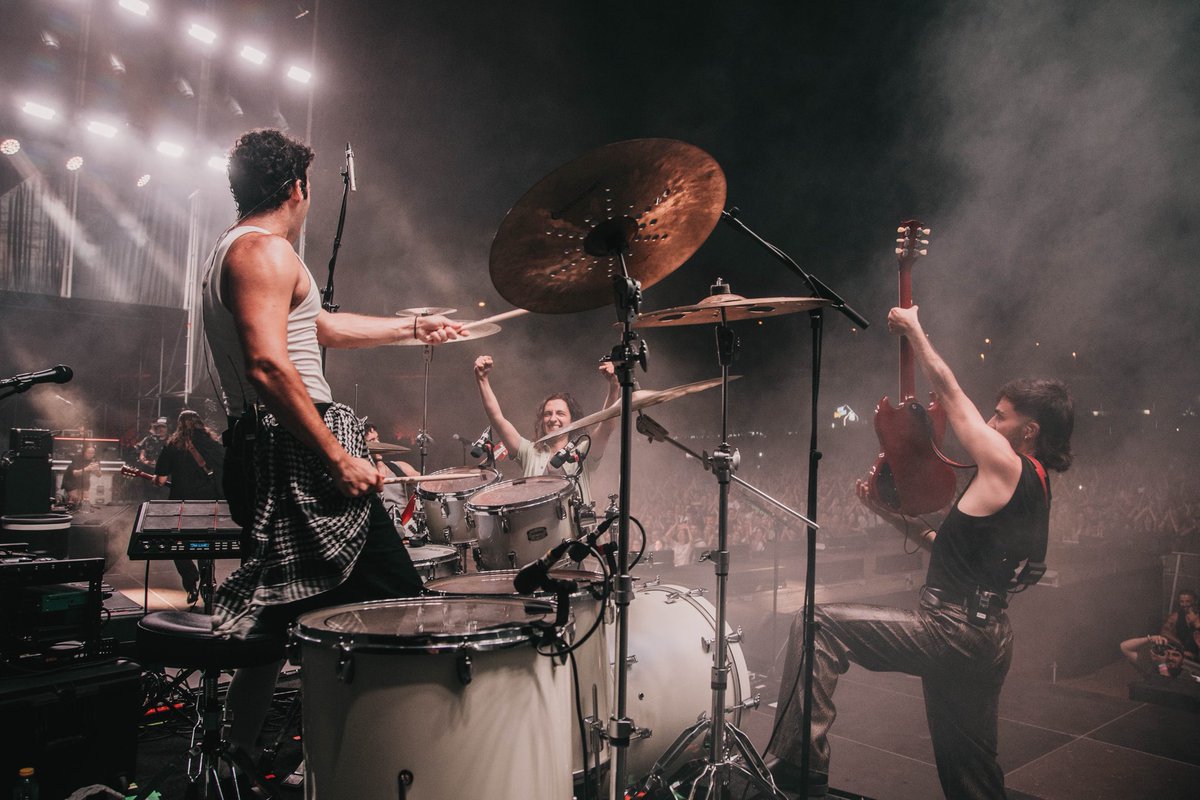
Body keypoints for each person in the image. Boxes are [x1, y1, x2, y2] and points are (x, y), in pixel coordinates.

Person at [200, 128, 465, 763]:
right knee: (397, 606)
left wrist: (412, 328)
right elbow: (268, 367)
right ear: (298, 187)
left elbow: (318, 326)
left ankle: (235, 753)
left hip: (265, 446)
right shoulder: (264, 252)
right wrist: (337, 456)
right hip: (298, 446)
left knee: (279, 604)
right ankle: (407, 760)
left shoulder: (237, 251)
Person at [767, 304, 1075, 799]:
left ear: (1029, 430)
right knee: (970, 769)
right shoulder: (1036, 486)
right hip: (987, 638)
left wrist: (914, 330)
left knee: (816, 624)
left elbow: (953, 396)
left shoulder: (1009, 463)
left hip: (950, 629)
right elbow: (950, 550)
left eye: (1001, 416)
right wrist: (888, 515)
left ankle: (801, 771)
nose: (991, 423)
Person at [472, 353, 619, 504]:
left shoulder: (583, 451)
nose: (553, 419)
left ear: (572, 420)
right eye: (548, 414)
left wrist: (614, 387)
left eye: (560, 413)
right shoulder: (529, 451)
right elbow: (498, 419)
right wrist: (482, 380)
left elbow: (606, 426)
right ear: (542, 420)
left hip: (575, 527)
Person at [154, 409, 225, 605]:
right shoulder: (213, 444)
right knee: (206, 544)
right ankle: (206, 581)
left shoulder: (173, 445)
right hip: (210, 503)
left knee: (178, 544)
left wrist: (157, 479)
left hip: (182, 504)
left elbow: (160, 480)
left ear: (179, 425)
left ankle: (190, 582)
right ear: (200, 423)